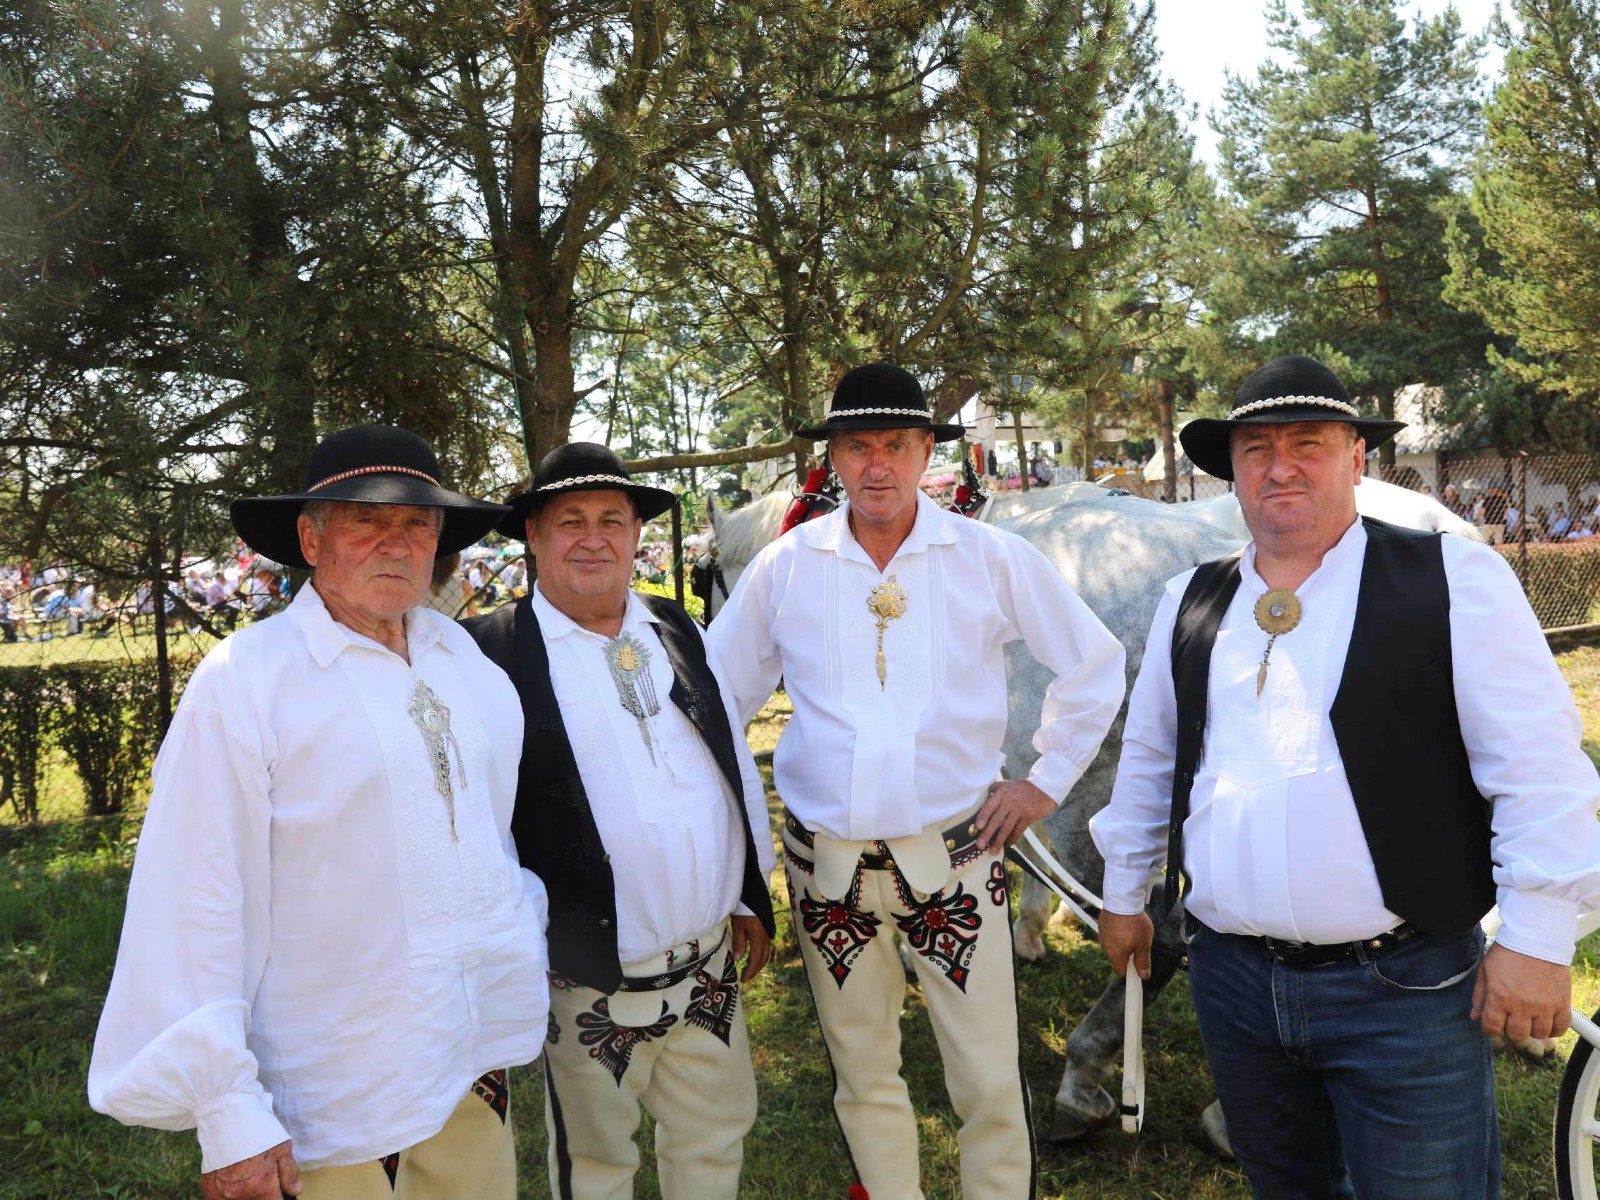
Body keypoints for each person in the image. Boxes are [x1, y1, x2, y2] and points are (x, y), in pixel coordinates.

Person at [1090, 355, 1600, 1199]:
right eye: (1257, 448)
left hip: (1405, 986)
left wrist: (1539, 938)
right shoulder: (1191, 598)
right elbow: (1151, 757)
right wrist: (1122, 892)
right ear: (1232, 471)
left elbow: (1538, 767)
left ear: (1356, 458)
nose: (1280, 467)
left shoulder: (1453, 579)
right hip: (1234, 983)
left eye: (1308, 444)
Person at [89, 425, 551, 1200]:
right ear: (311, 539)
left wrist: (516, 942)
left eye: (416, 524)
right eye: (366, 521)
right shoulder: (246, 681)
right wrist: (229, 1112)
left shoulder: (462, 660)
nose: (395, 544)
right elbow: (195, 901)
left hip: (468, 1065)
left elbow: (488, 838)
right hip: (331, 1091)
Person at [707, 363, 1125, 1200]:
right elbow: (716, 701)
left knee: (988, 1080)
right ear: (832, 458)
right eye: (858, 447)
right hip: (827, 872)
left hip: (955, 862)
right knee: (862, 1078)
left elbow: (1095, 664)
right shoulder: (786, 567)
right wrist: (740, 853)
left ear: (926, 450)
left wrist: (1041, 785)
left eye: (896, 444)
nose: (877, 465)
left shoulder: (986, 556)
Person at [462, 442, 777, 1200]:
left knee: (715, 1140)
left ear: (637, 533)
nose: (593, 538)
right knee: (598, 1166)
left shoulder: (675, 626)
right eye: (570, 520)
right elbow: (474, 820)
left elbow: (731, 757)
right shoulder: (490, 654)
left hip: (707, 965)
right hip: (587, 980)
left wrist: (750, 893)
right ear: (532, 534)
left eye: (612, 519)